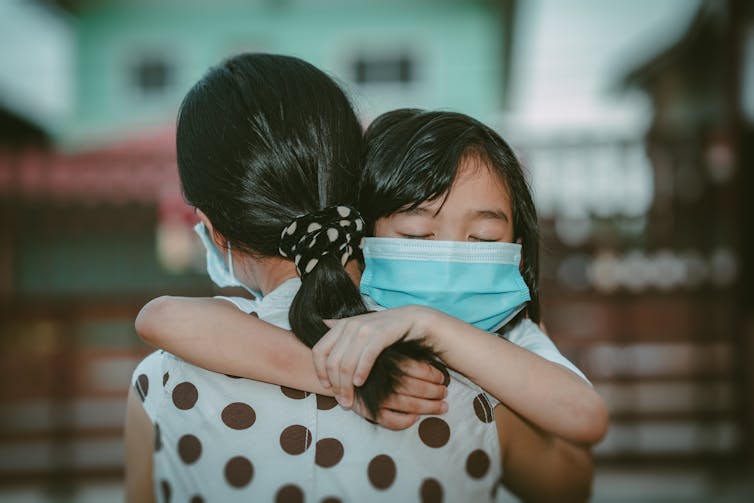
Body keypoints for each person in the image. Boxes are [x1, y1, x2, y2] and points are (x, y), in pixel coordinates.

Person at [126, 53, 591, 503]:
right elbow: (571, 485)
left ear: (213, 228)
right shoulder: (463, 365)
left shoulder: (164, 384)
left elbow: (160, 318)